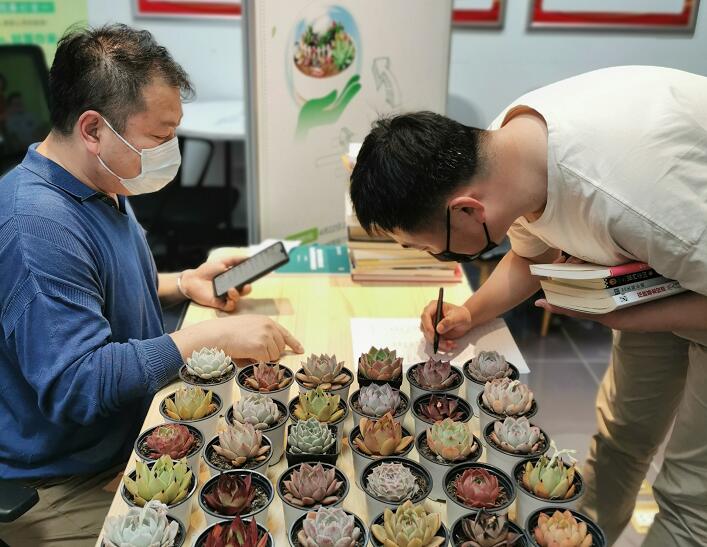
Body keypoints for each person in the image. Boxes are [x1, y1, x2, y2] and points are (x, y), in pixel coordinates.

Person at [350, 66, 707, 546]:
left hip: (682, 253)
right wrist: (471, 312)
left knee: (689, 495)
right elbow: (530, 251)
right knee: (623, 438)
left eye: (430, 248)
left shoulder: (628, 204)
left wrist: (627, 316)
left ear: (466, 210)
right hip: (664, 269)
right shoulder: (500, 156)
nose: (437, 257)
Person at [0, 24, 303, 545]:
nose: (170, 151)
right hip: (65, 477)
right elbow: (79, 383)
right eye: (159, 138)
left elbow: (87, 288)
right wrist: (208, 337)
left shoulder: (100, 180)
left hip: (130, 431)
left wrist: (184, 283)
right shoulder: (38, 226)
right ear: (93, 129)